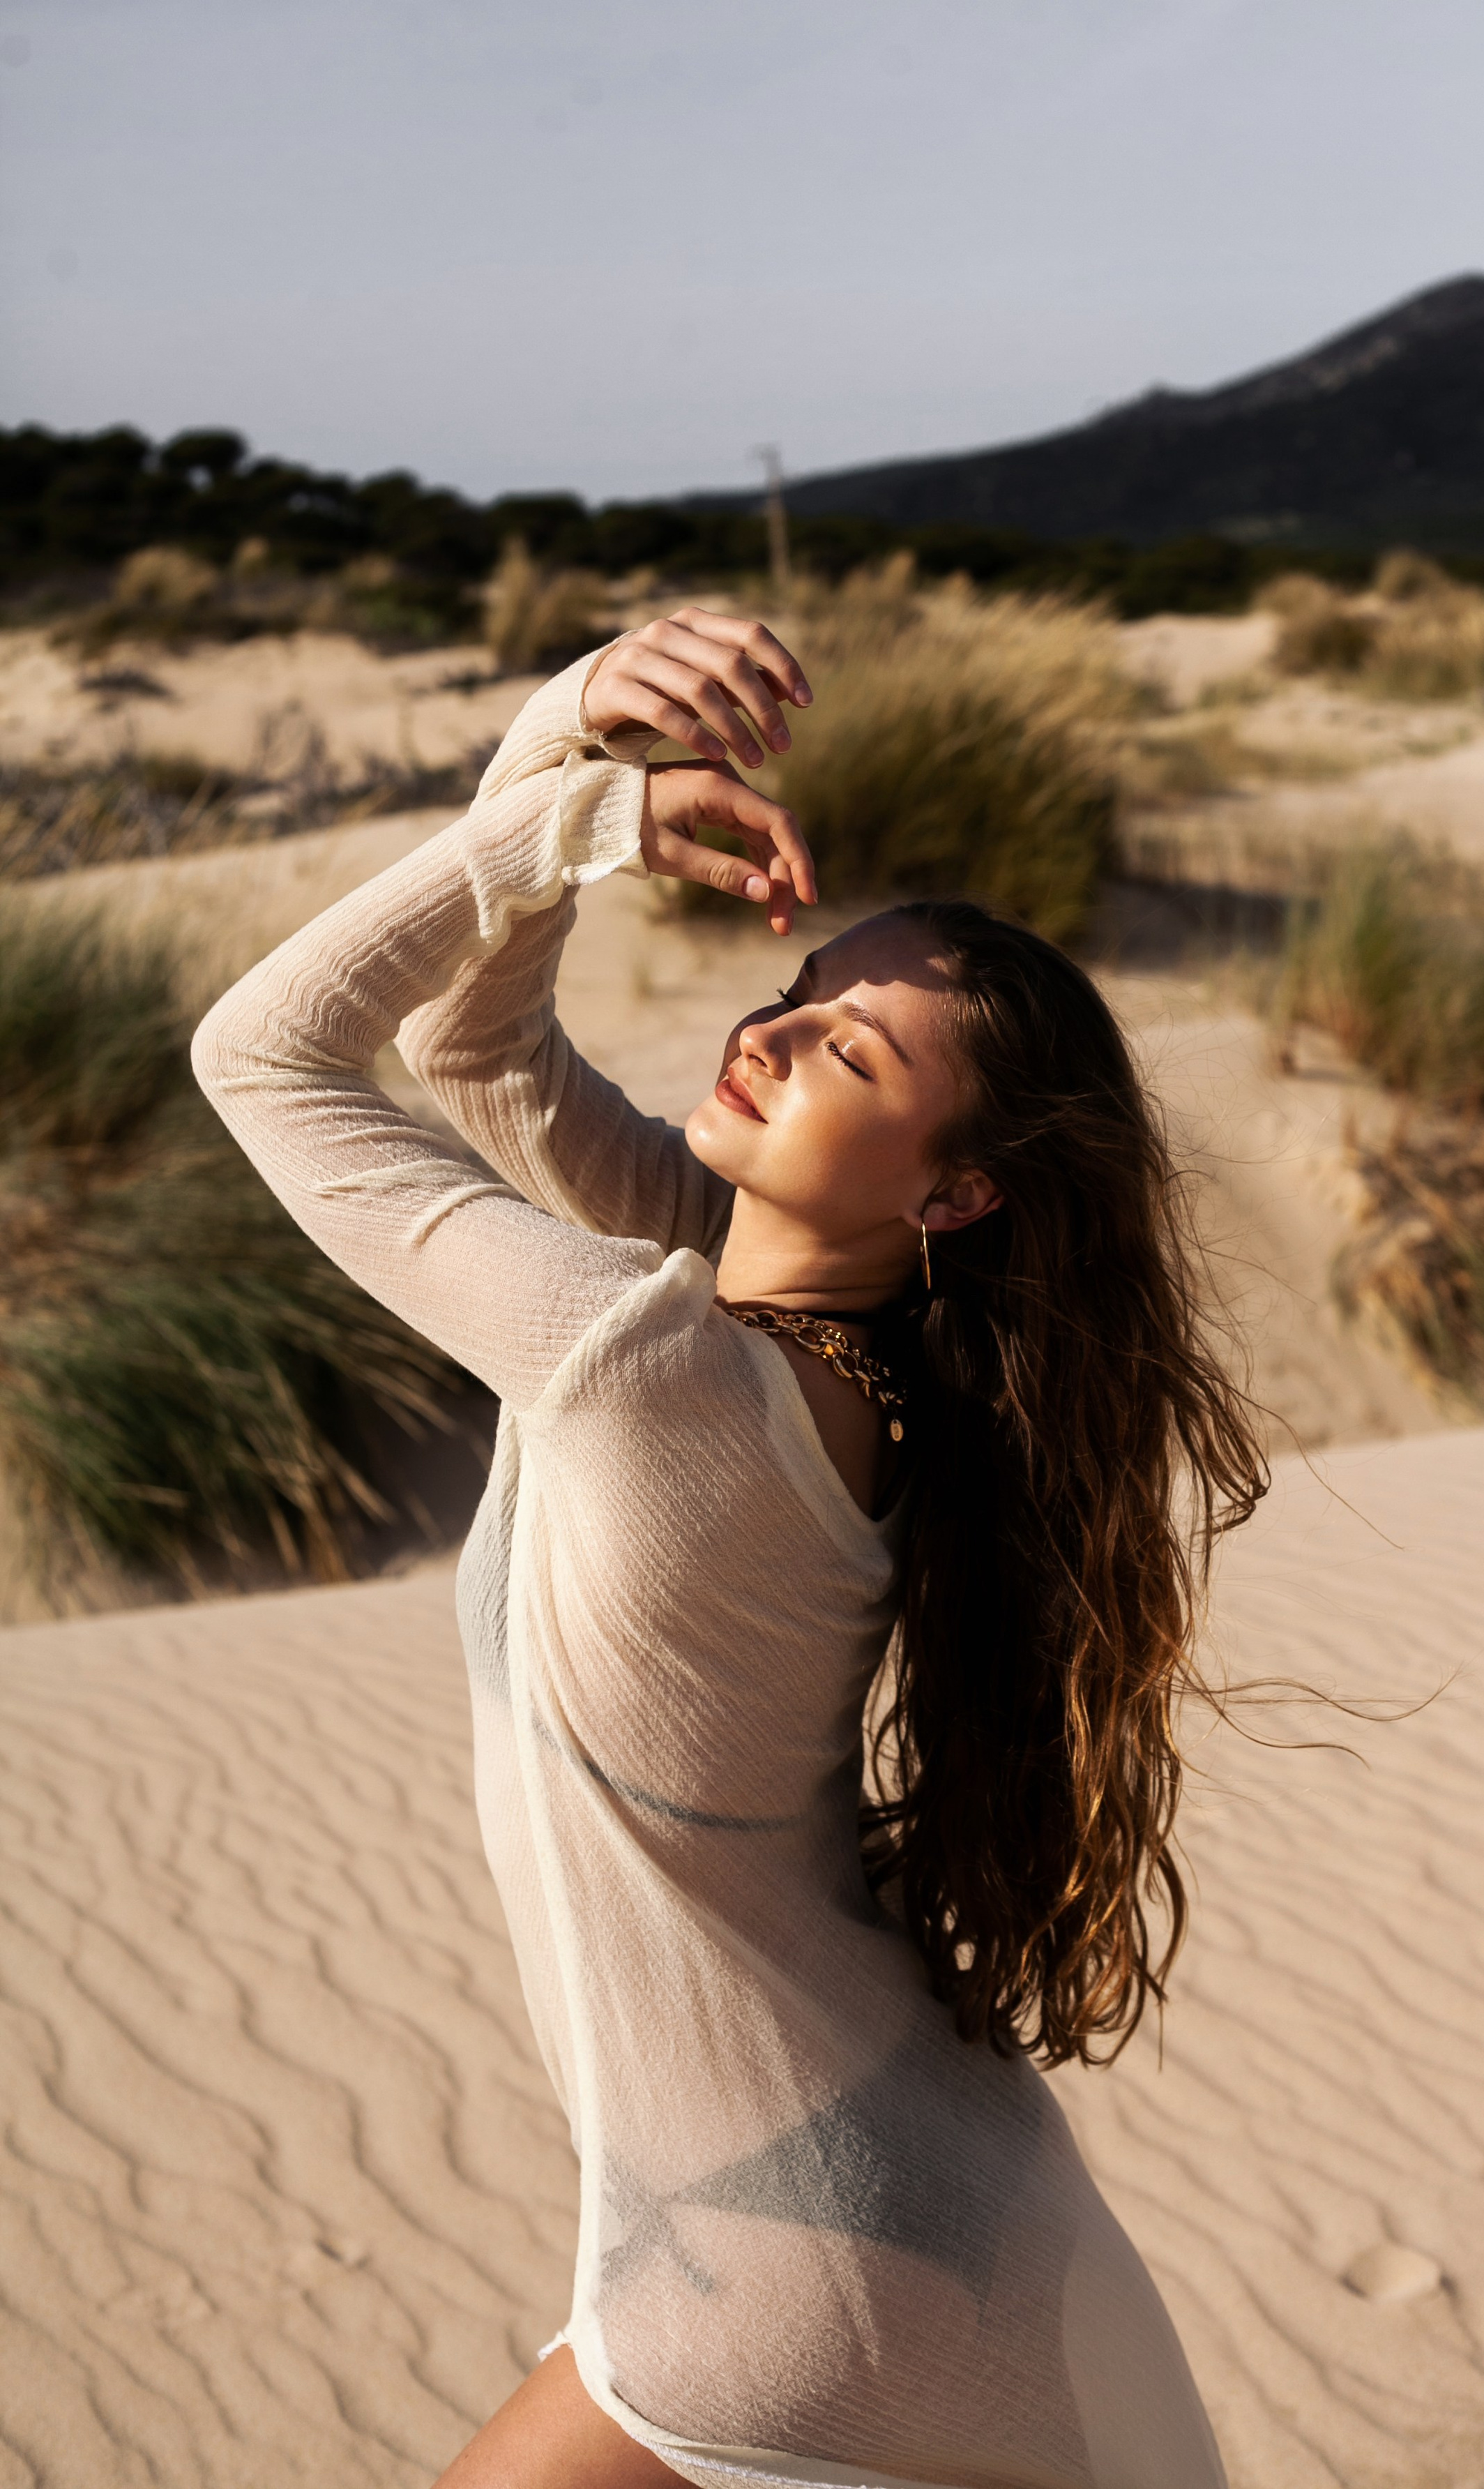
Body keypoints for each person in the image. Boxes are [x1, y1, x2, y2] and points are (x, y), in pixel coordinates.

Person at [192, 608, 1266, 2489]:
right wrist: (575, 721)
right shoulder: (827, 1342)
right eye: (798, 990)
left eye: (844, 1047)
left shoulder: (657, 1366)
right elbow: (487, 1048)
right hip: (921, 2205)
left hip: (783, 2288)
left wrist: (575, 823)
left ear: (955, 1189)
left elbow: (265, 1058)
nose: (768, 1034)